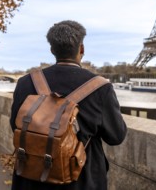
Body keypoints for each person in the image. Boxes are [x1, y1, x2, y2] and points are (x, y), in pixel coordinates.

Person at [10, 20, 127, 190]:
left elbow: (16, 126)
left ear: (52, 50)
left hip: (32, 177)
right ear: (82, 49)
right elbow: (116, 137)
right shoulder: (101, 88)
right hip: (81, 179)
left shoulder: (26, 83)